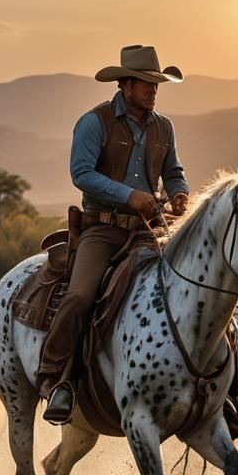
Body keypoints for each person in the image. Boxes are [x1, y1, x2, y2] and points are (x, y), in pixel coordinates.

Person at [38, 45, 190, 425]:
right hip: (101, 230)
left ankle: (212, 389)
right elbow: (82, 173)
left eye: (157, 84)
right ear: (125, 84)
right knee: (80, 296)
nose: (154, 91)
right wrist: (130, 195)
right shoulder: (95, 122)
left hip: (146, 232)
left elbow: (172, 171)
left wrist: (179, 192)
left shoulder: (163, 127)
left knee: (188, 290)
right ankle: (56, 379)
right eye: (146, 84)